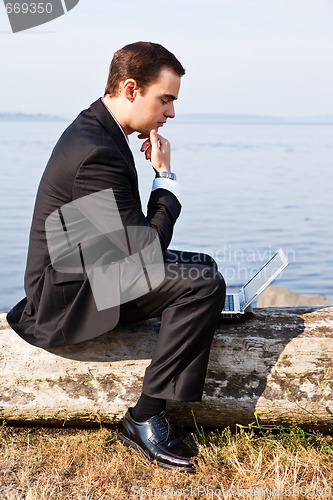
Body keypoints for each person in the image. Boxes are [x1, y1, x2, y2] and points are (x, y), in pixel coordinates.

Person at [7, 41, 226, 472]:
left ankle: (174, 340)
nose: (171, 113)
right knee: (203, 284)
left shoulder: (99, 131)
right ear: (131, 89)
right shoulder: (97, 152)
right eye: (166, 99)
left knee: (202, 266)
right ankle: (144, 416)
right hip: (67, 298)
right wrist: (165, 180)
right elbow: (145, 251)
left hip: (83, 266)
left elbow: (127, 244)